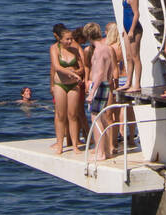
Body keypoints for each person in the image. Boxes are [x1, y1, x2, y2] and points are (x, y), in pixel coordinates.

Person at [50, 26, 85, 154]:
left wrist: (76, 72)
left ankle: (75, 144)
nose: (70, 41)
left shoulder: (75, 50)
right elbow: (57, 67)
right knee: (60, 115)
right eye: (67, 39)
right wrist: (71, 73)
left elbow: (81, 68)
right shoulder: (54, 49)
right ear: (60, 39)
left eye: (71, 39)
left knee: (73, 115)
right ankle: (60, 144)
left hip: (73, 85)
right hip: (60, 84)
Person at [86, 25, 119, 159]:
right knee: (103, 118)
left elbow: (99, 73)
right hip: (106, 84)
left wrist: (92, 92)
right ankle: (106, 150)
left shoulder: (98, 50)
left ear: (89, 36)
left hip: (99, 85)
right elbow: (111, 69)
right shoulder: (108, 49)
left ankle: (100, 152)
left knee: (96, 117)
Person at [113, 0, 143, 94]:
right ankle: (128, 82)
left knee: (136, 57)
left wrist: (131, 30)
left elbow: (136, 14)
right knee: (129, 56)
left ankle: (137, 84)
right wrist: (125, 30)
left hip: (134, 29)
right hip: (127, 29)